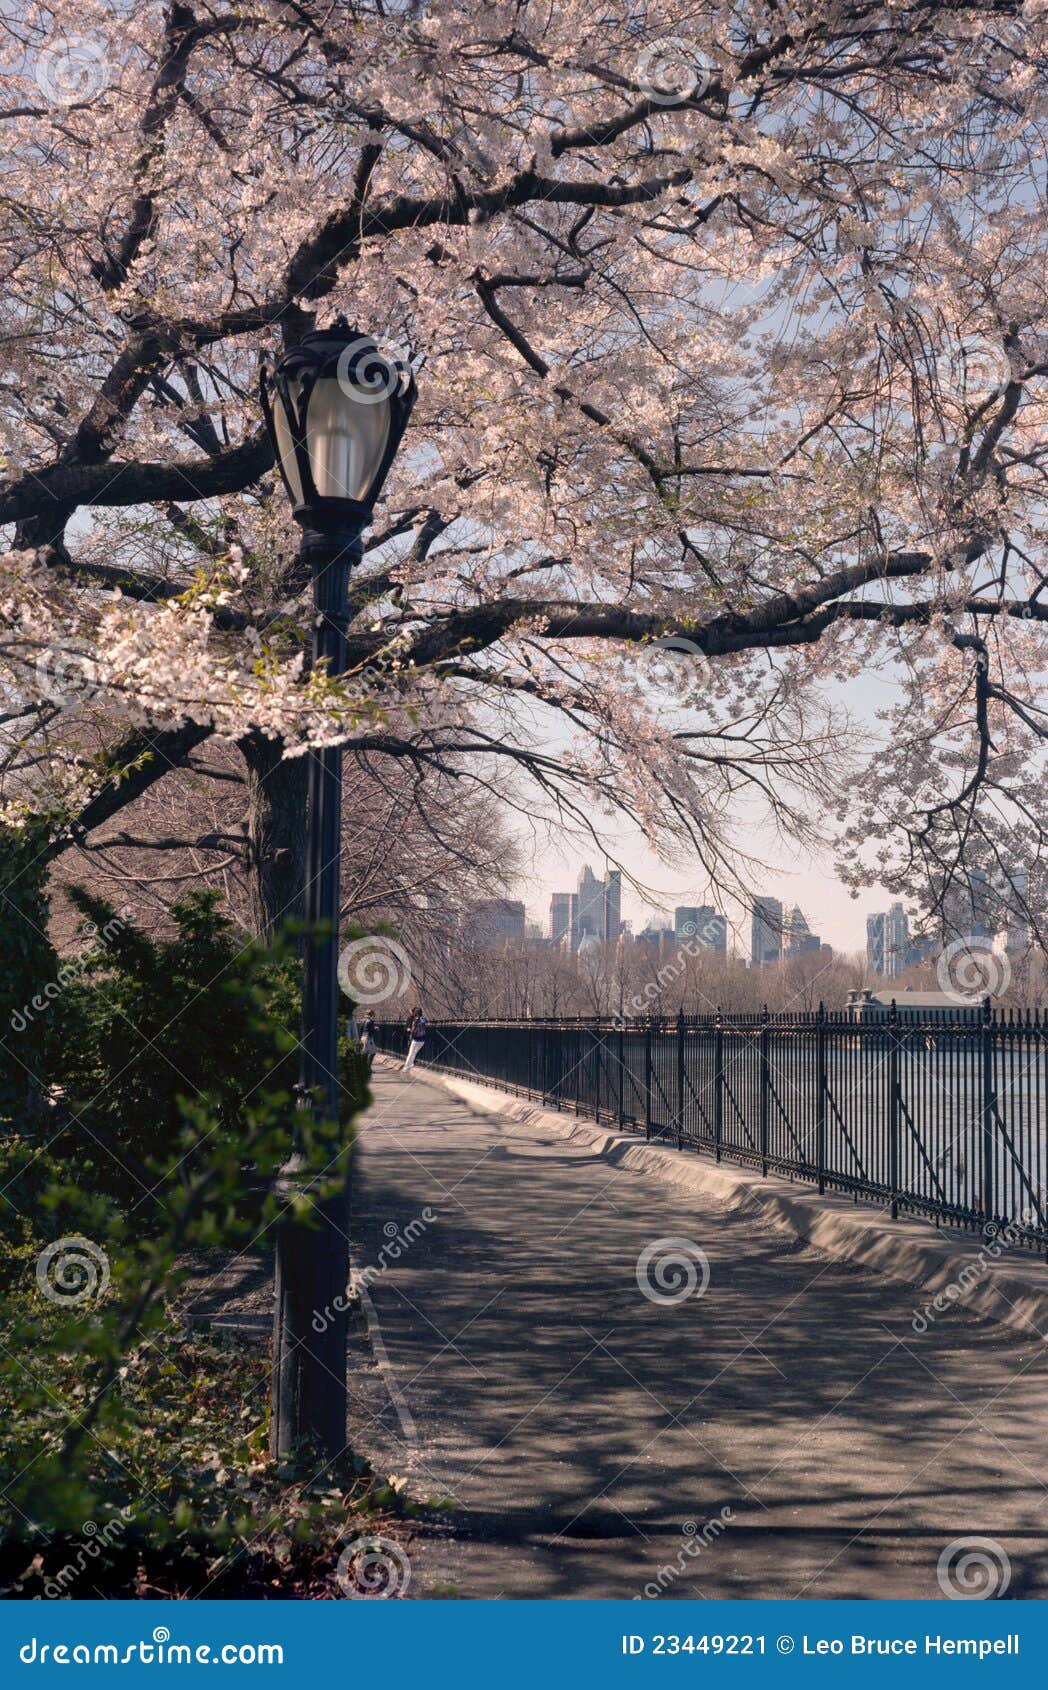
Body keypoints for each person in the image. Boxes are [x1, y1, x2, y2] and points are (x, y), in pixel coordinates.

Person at [403, 1006, 428, 1072]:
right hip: (422, 1040)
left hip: (415, 1039)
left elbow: (413, 1029)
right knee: (414, 1052)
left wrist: (410, 1030)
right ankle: (411, 1064)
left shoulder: (415, 1020)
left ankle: (406, 1067)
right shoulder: (423, 1019)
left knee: (410, 1053)